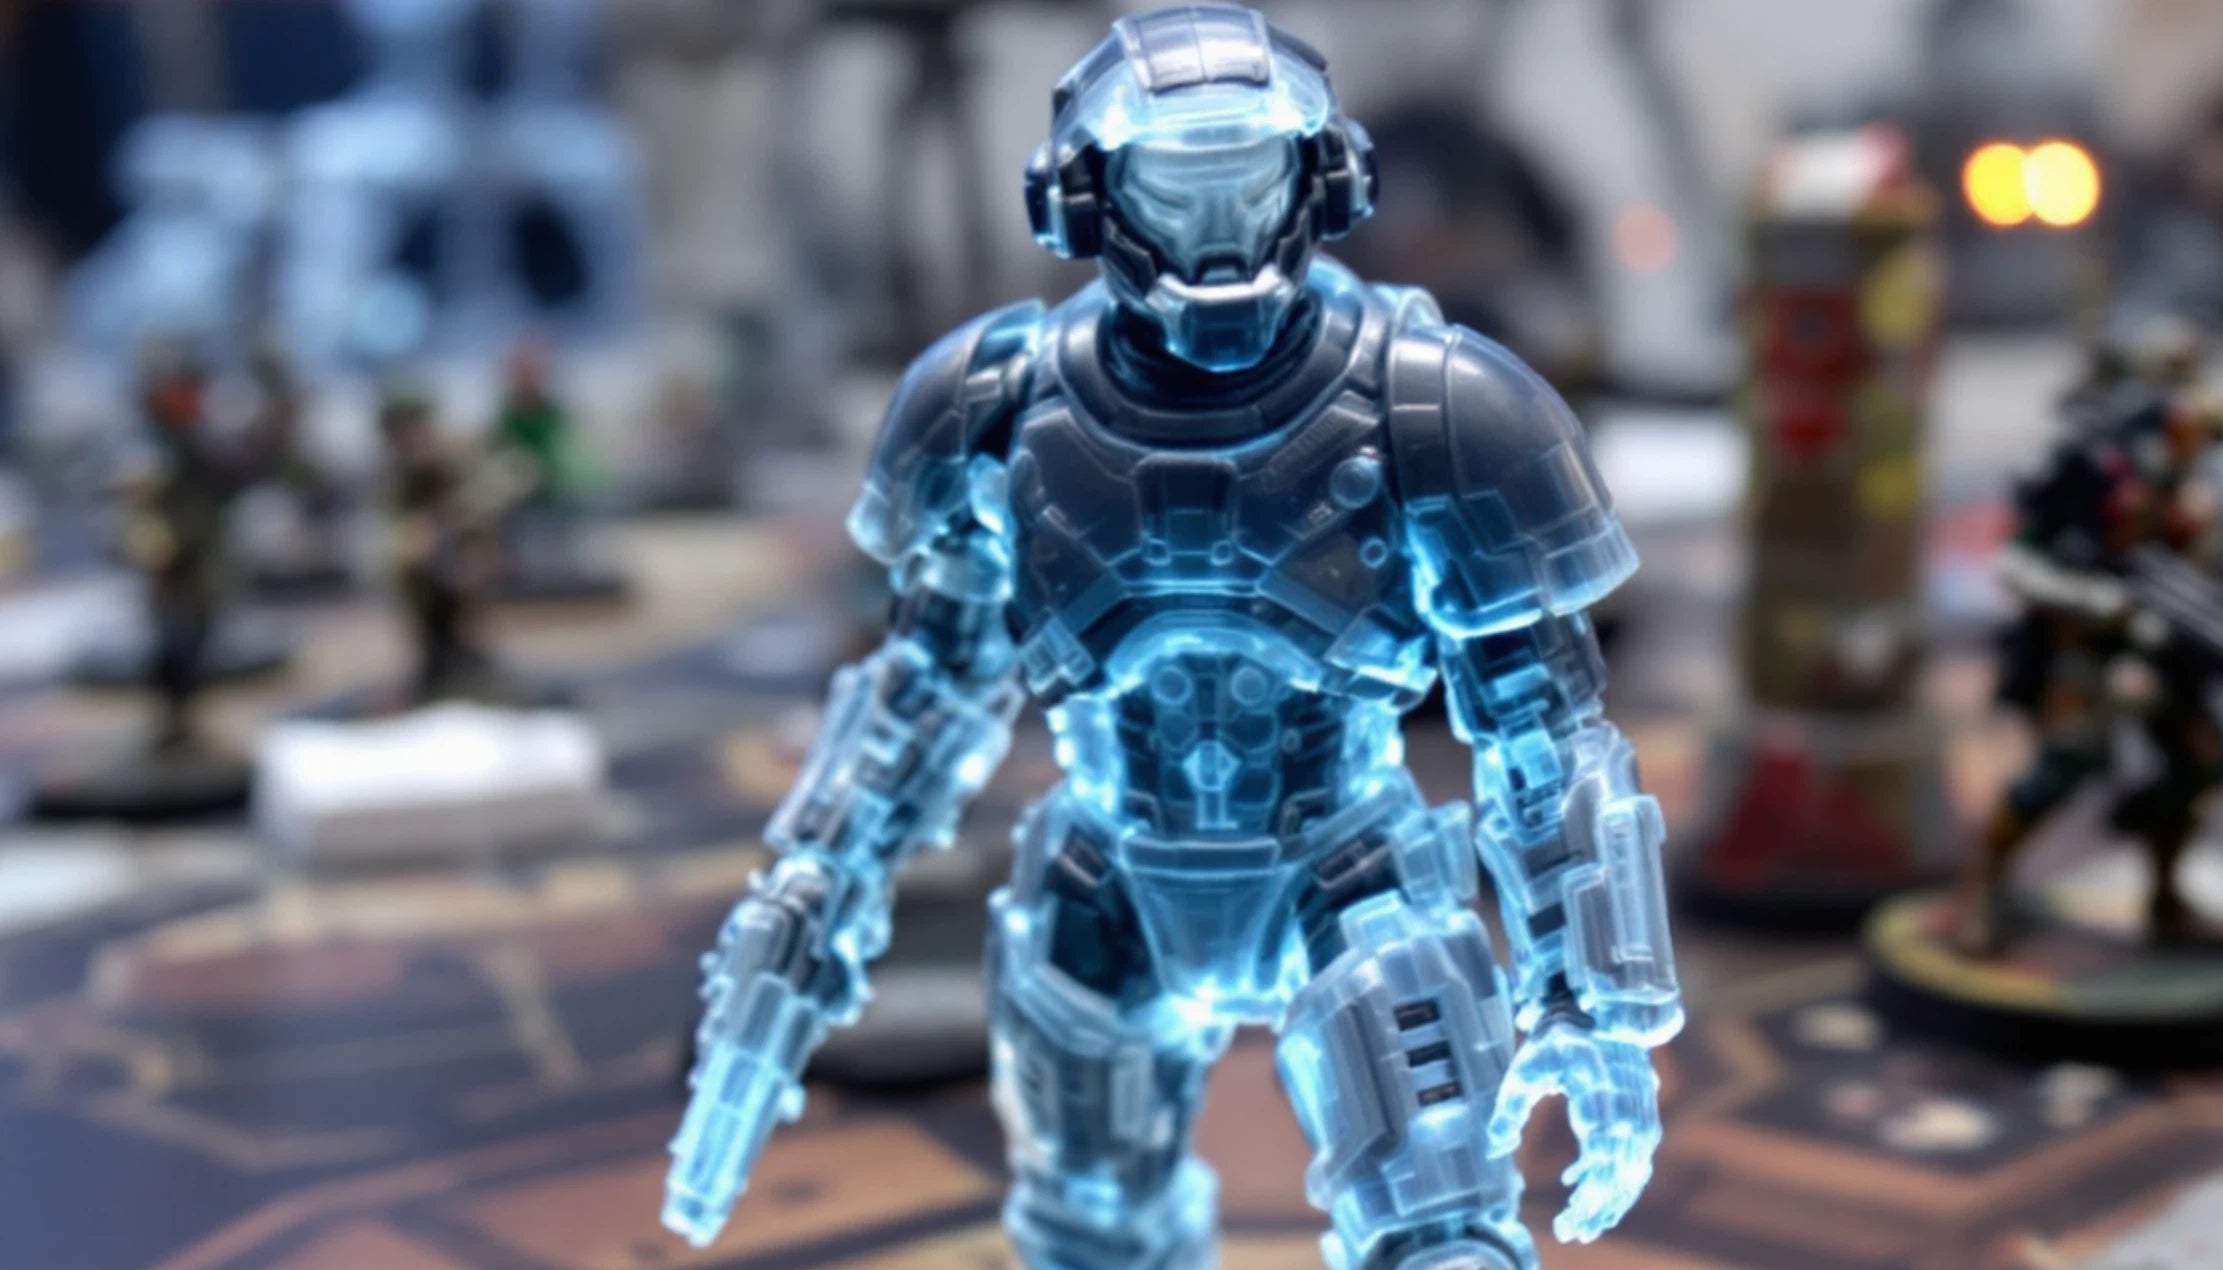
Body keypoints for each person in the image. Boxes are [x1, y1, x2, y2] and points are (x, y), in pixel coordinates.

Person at [666, 9, 1681, 1268]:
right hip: (1109, 880)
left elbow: (1544, 730)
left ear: (1319, 180)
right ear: (1091, 197)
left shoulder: (1433, 402)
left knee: (1439, 1229)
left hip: (1344, 870)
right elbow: (927, 684)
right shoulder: (994, 404)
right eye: (1177, 191)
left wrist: (1590, 1002)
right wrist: (816, 876)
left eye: (1247, 185)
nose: (1219, 233)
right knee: (1093, 1233)